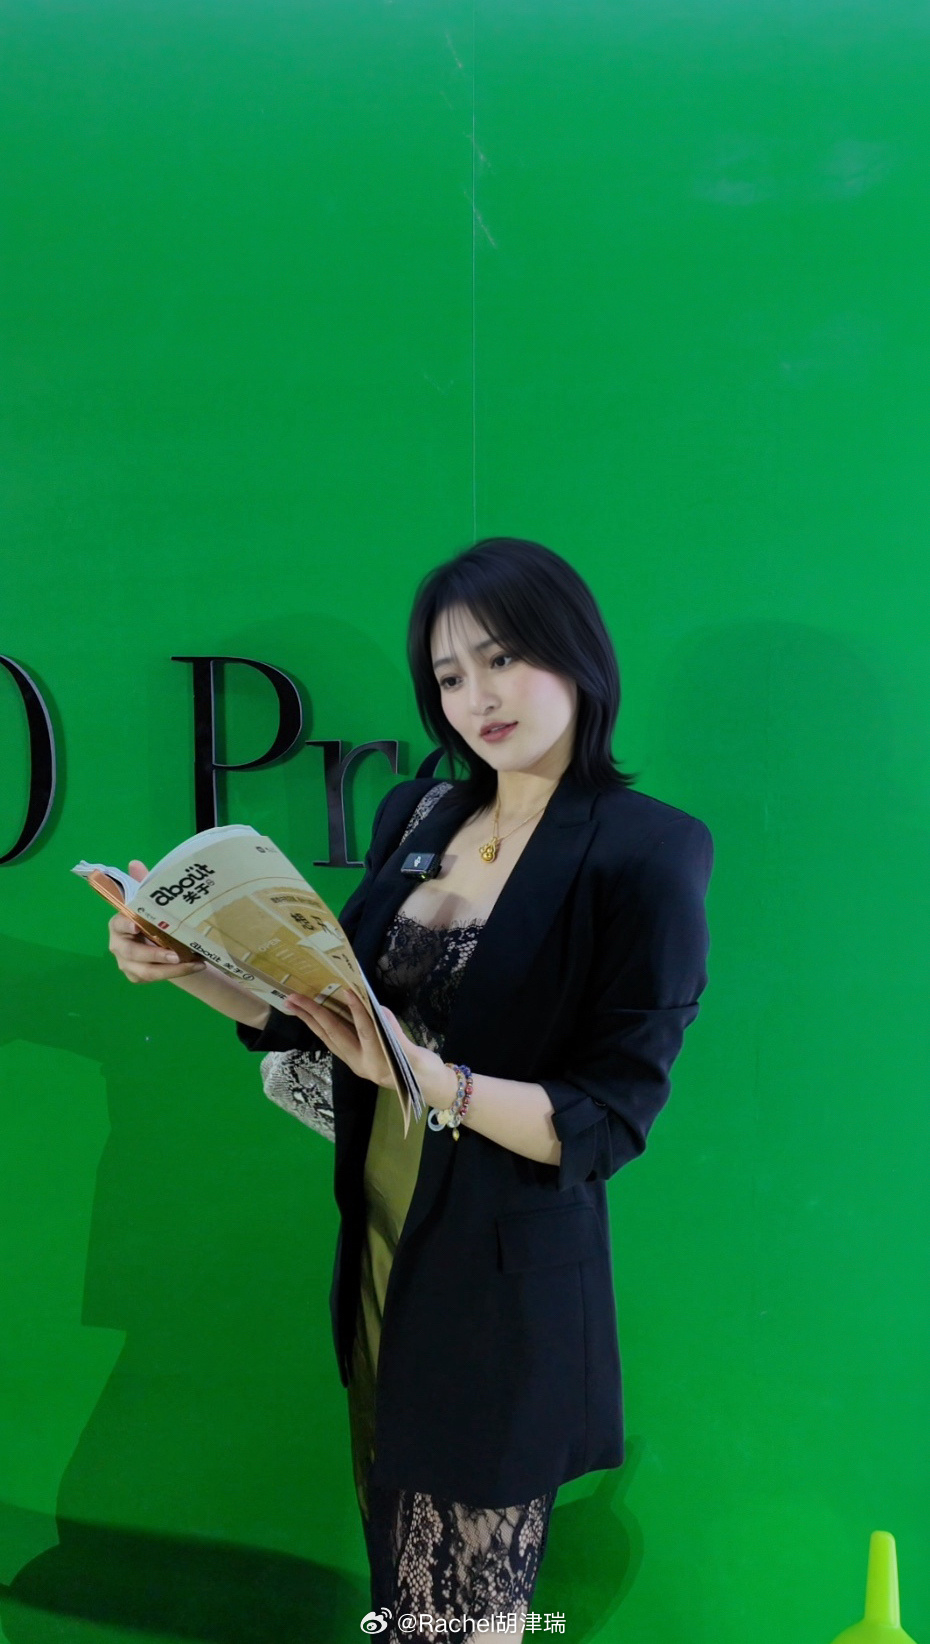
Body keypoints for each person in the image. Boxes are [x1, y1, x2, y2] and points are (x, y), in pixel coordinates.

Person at [107, 537, 713, 1639]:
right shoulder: (420, 815)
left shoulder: (647, 849)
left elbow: (608, 1119)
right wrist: (182, 963)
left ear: (578, 654)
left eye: (503, 658)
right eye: (448, 675)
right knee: (403, 1600)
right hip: (386, 1251)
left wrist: (441, 1082)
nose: (477, 696)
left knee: (461, 1622)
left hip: (505, 1289)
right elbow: (325, 1013)